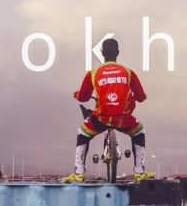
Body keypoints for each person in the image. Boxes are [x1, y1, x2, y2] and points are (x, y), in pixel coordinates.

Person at [63, 38, 155, 183]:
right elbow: (141, 97)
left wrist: (76, 94)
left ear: (102, 53)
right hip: (123, 119)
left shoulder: (93, 73)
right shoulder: (128, 72)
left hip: (101, 118)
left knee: (82, 132)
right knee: (139, 131)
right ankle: (139, 172)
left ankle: (79, 173)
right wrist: (141, 96)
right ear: (118, 53)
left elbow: (83, 97)